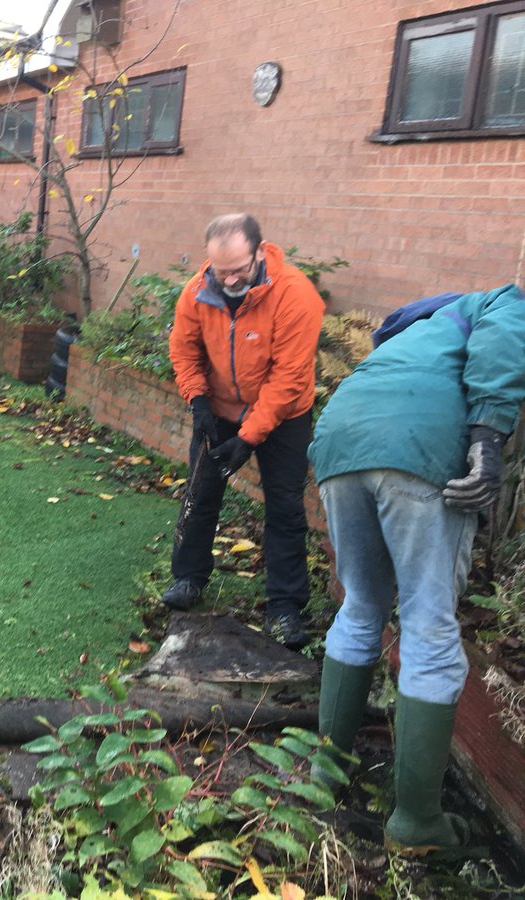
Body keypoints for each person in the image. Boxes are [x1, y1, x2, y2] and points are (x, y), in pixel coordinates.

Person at [309, 284, 525, 855]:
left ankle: (324, 774)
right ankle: (416, 823)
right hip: (418, 451)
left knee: (360, 605)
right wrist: (488, 441)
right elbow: (504, 347)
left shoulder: (421, 326)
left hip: (339, 442)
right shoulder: (504, 301)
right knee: (430, 625)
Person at [164, 213, 324, 649]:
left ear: (259, 251)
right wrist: (198, 402)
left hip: (284, 413)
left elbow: (289, 378)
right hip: (219, 408)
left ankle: (285, 607)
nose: (230, 278)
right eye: (221, 270)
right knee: (199, 493)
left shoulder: (295, 295)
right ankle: (188, 579)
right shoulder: (198, 290)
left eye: (239, 268)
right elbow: (183, 348)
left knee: (286, 507)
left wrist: (250, 437)